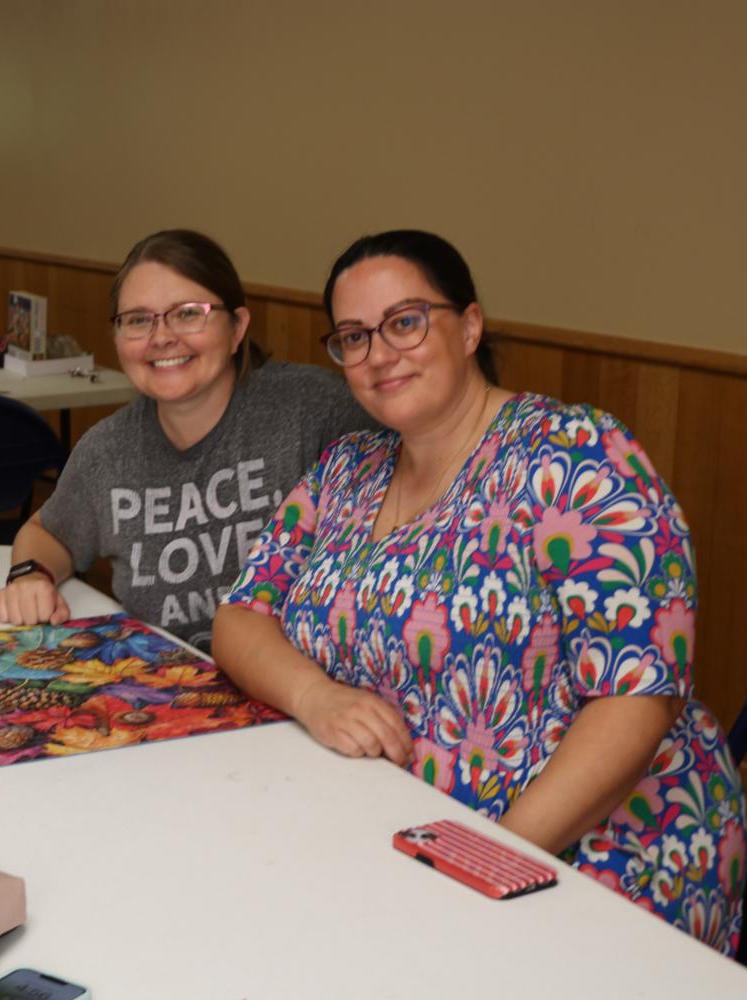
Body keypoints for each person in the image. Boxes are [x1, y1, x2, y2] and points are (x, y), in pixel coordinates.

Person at [211, 229, 746, 952]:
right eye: (354, 337)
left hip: (587, 847)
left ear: (468, 327)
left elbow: (638, 695)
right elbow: (241, 616)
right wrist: (316, 696)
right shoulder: (346, 469)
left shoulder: (574, 456)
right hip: (395, 823)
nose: (379, 354)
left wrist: (488, 858)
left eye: (405, 322)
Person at [0, 229, 376, 650]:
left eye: (189, 313)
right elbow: (49, 531)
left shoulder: (317, 411)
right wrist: (30, 575)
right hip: (168, 682)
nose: (162, 337)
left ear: (237, 328)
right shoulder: (107, 450)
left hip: (303, 680)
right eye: (138, 320)